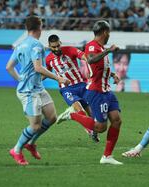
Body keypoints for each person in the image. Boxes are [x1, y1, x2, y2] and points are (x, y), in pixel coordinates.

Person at [56, 20, 123, 165]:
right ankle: (72, 115)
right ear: (105, 32)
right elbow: (91, 60)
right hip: (97, 91)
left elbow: (100, 67)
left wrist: (112, 75)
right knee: (100, 127)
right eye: (109, 32)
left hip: (107, 91)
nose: (109, 35)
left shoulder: (100, 47)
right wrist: (109, 50)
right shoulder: (92, 46)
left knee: (117, 120)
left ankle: (107, 156)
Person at [6, 16, 70, 165]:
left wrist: (20, 79)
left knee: (52, 117)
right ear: (39, 28)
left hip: (38, 88)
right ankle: (16, 150)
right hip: (29, 92)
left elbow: (9, 67)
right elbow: (38, 68)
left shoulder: (20, 45)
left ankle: (31, 143)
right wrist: (59, 78)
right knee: (35, 125)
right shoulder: (37, 46)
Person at [46, 34, 99, 143]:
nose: (56, 49)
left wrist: (91, 59)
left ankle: (92, 130)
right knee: (80, 109)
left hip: (81, 85)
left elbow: (84, 56)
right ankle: (90, 131)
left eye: (57, 46)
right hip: (66, 89)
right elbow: (47, 72)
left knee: (93, 114)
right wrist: (35, 79)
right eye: (53, 47)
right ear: (49, 46)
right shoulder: (49, 59)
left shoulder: (70, 50)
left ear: (60, 43)